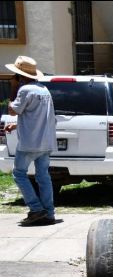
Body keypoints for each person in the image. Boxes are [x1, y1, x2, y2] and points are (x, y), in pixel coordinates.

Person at [4, 55, 58, 226]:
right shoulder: (44, 90)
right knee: (43, 176)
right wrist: (16, 126)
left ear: (20, 76)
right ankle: (49, 213)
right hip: (46, 142)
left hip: (29, 143)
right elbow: (35, 116)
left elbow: (13, 110)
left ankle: (36, 209)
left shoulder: (24, 90)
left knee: (19, 174)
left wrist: (12, 88)